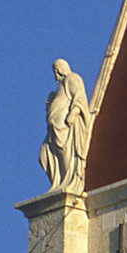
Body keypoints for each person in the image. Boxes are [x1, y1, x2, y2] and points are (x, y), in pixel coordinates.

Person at [39, 59, 91, 194]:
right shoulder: (60, 86)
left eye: (56, 71)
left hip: (64, 126)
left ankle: (69, 181)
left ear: (60, 69)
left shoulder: (72, 78)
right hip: (54, 127)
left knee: (66, 153)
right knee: (44, 156)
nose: (55, 74)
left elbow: (79, 97)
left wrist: (73, 114)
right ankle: (60, 181)